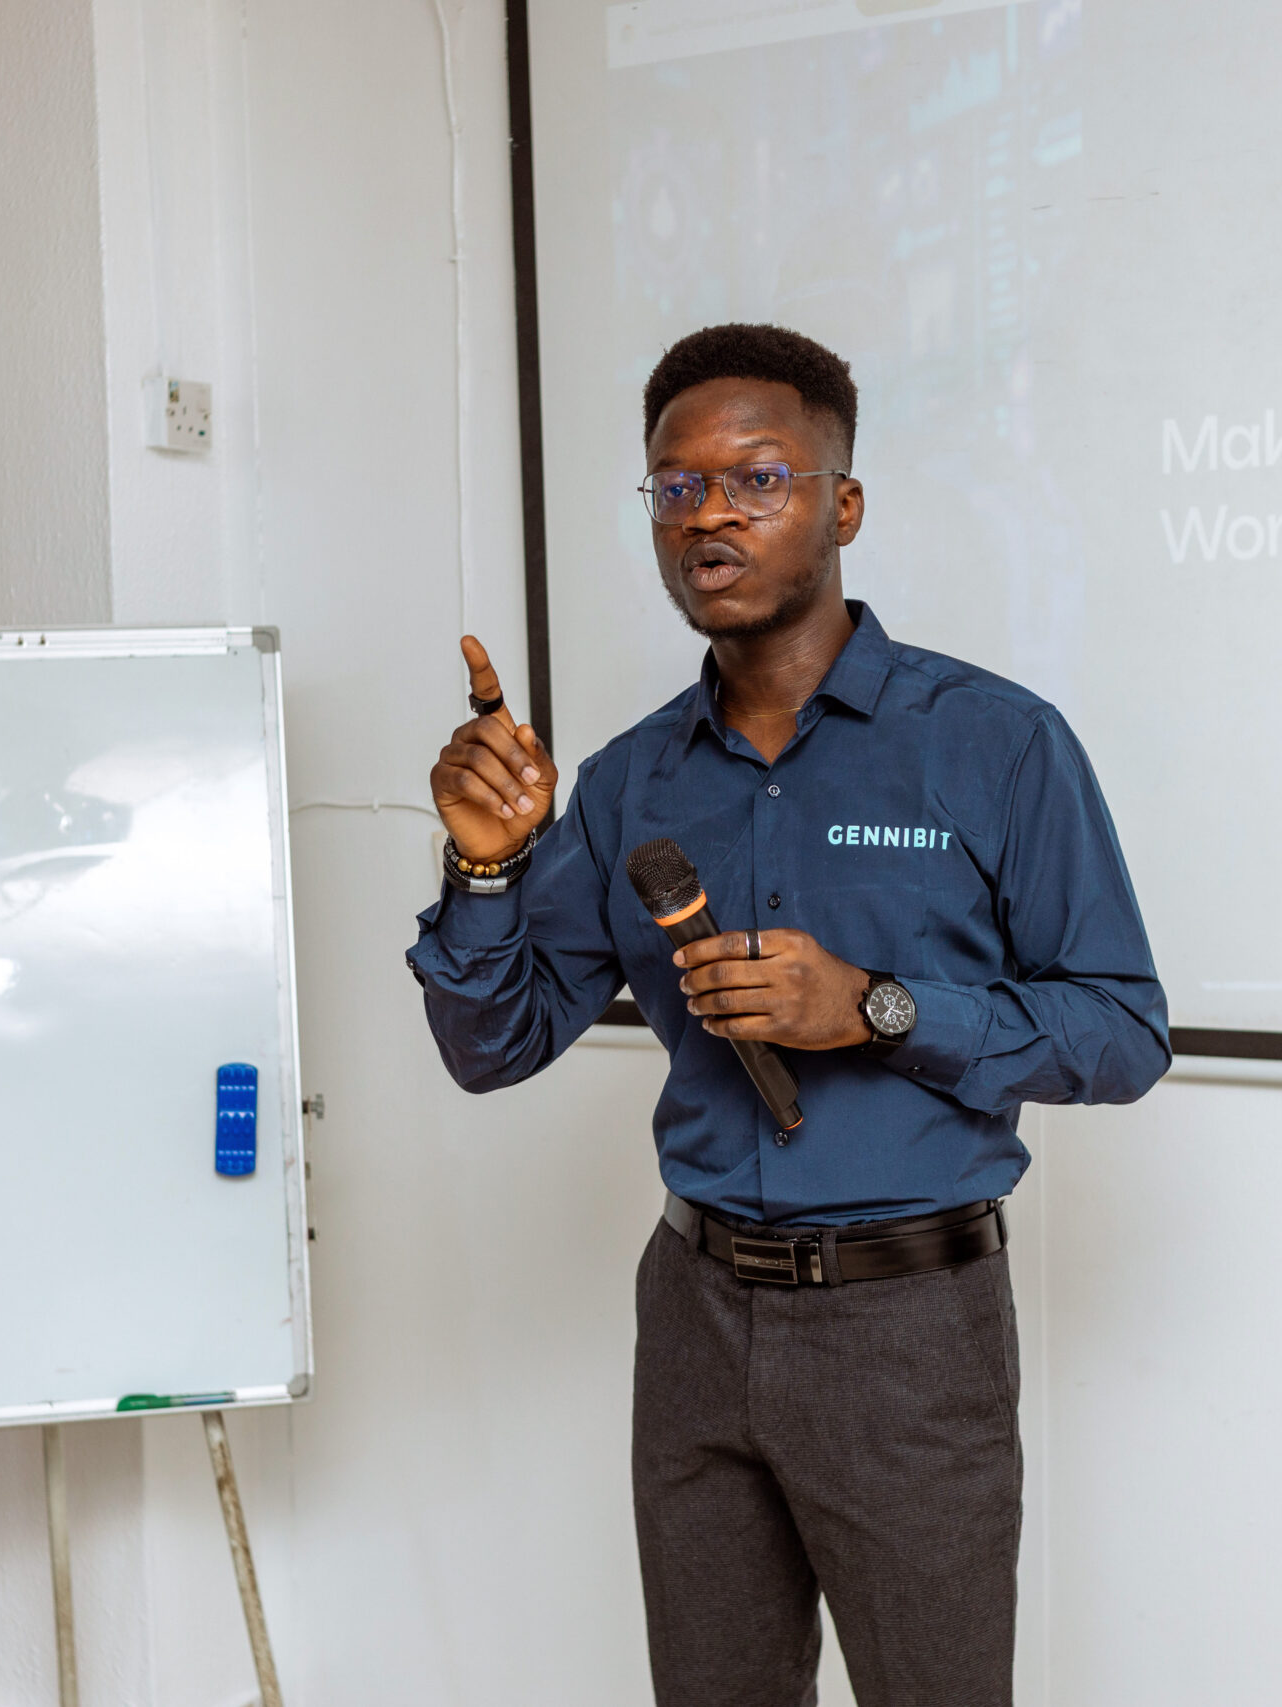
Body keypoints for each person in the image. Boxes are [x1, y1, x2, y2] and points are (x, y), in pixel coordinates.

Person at [407, 323, 1167, 1706]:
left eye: (757, 479)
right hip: (694, 1317)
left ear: (843, 504)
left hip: (909, 1328)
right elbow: (490, 1044)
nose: (709, 516)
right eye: (676, 486)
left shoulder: (996, 743)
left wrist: (873, 1006)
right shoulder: (632, 780)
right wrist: (484, 869)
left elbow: (1121, 1032)